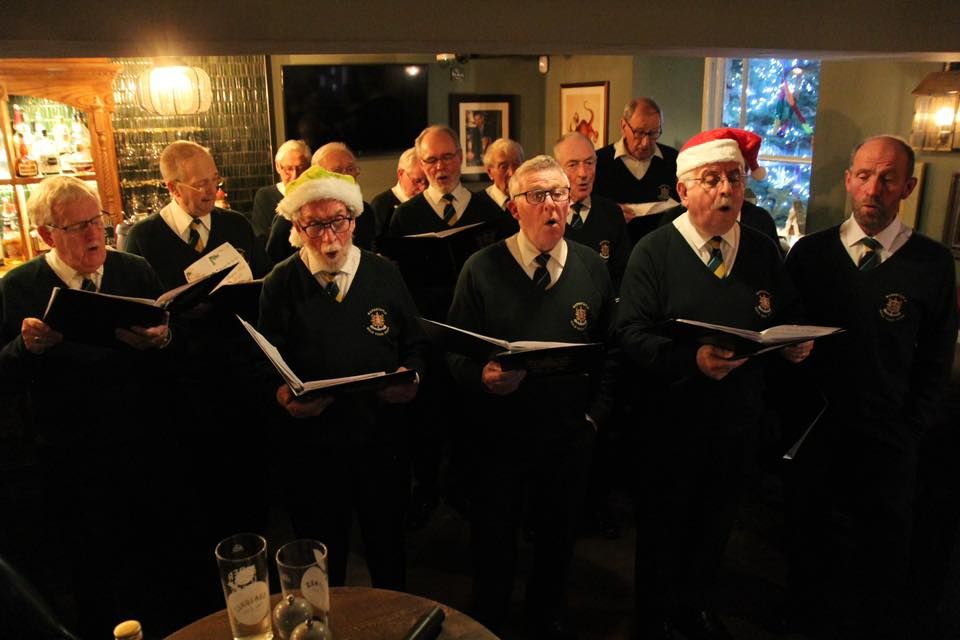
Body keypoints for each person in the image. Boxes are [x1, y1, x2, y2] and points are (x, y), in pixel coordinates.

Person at [614, 128, 811, 640]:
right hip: (669, 423)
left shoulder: (764, 250)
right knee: (663, 528)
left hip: (737, 423)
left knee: (716, 526)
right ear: (683, 191)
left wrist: (793, 344)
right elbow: (629, 334)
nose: (726, 190)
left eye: (735, 178)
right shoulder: (654, 253)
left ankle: (694, 609)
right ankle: (653, 616)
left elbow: (785, 314)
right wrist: (689, 358)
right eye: (711, 179)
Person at [783, 135, 958, 640]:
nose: (872, 188)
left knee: (878, 553)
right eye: (863, 175)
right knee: (807, 541)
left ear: (909, 185)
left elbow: (937, 356)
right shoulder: (811, 254)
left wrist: (911, 428)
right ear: (847, 181)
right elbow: (784, 339)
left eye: (886, 177)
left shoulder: (931, 263)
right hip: (815, 432)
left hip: (889, 438)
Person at [446, 155, 616, 639]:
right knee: (494, 541)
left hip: (568, 435)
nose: (551, 207)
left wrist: (594, 418)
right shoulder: (481, 269)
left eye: (559, 194)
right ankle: (489, 619)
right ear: (515, 208)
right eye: (537, 196)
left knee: (559, 542)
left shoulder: (591, 267)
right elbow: (453, 356)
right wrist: (483, 376)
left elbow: (611, 352)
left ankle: (548, 616)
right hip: (498, 438)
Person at [0, 176, 173, 638]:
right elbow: (3, 375)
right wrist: (26, 346)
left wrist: (162, 339)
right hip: (71, 453)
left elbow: (170, 355)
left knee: (152, 558)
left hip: (139, 442)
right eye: (77, 227)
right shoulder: (20, 288)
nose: (94, 234)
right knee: (92, 569)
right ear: (45, 236)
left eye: (96, 220)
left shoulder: (133, 270)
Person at [258, 166, 429, 590]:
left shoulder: (384, 274)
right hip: (314, 447)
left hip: (381, 440)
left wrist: (413, 380)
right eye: (314, 224)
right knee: (319, 558)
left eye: (338, 220)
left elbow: (416, 344)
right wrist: (283, 396)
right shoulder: (281, 281)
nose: (328, 235)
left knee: (387, 547)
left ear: (353, 219)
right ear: (297, 227)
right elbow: (263, 363)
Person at [122, 140, 270, 620]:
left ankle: (255, 588)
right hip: (182, 384)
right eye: (201, 183)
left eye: (215, 179)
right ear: (172, 187)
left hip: (238, 376)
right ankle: (205, 605)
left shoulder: (235, 224)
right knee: (197, 498)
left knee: (247, 490)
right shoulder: (143, 238)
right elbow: (143, 309)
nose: (212, 190)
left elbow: (259, 286)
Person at [386, 124, 516, 320]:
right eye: (431, 160)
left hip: (482, 321)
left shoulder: (492, 212)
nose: (440, 166)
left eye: (447, 157)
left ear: (461, 157)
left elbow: (505, 276)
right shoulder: (404, 217)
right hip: (426, 325)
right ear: (421, 165)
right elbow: (400, 283)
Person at [266, 141, 376, 262]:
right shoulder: (290, 219)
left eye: (350, 169)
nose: (346, 176)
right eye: (337, 171)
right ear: (316, 174)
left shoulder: (365, 213)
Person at [554, 132, 630, 294]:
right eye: (573, 164)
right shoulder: (546, 212)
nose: (583, 173)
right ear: (557, 169)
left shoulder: (611, 213)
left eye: (589, 163)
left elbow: (622, 274)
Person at [593, 97, 679, 214]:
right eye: (639, 132)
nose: (645, 143)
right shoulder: (599, 161)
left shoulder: (674, 160)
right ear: (623, 126)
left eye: (653, 133)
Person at [250, 139, 311, 239]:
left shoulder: (314, 195)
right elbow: (261, 239)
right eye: (289, 169)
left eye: (300, 168)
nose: (295, 176)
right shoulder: (265, 196)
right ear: (278, 167)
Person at [369, 147, 428, 243]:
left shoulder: (430, 200)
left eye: (427, 181)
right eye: (417, 181)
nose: (423, 188)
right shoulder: (380, 205)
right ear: (400, 174)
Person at [474, 137, 524, 211]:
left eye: (516, 165)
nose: (511, 173)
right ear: (490, 172)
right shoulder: (476, 204)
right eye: (504, 167)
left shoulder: (532, 201)